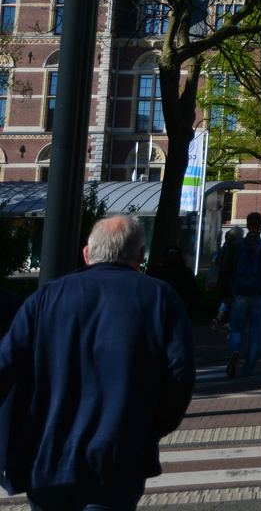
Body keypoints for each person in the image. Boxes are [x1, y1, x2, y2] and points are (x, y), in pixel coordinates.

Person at [0, 214, 194, 511]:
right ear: (140, 256)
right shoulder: (160, 298)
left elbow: (6, 366)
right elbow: (179, 376)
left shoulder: (45, 298)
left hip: (47, 457)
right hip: (117, 458)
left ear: (87, 254)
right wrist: (148, 428)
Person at [216, 212, 261, 378]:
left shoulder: (236, 246)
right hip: (260, 295)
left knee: (236, 329)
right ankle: (248, 369)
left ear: (247, 225)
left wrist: (224, 293)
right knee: (256, 332)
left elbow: (225, 271)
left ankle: (235, 352)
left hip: (238, 294)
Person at [206, 226, 243, 333]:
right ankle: (229, 324)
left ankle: (220, 319)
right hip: (232, 280)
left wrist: (209, 281)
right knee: (233, 303)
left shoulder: (221, 249)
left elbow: (214, 266)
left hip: (222, 280)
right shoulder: (236, 248)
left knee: (226, 301)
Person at [150, 245, 198, 314]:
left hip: (160, 310)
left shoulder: (156, 271)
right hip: (180, 311)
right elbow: (193, 294)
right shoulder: (186, 272)